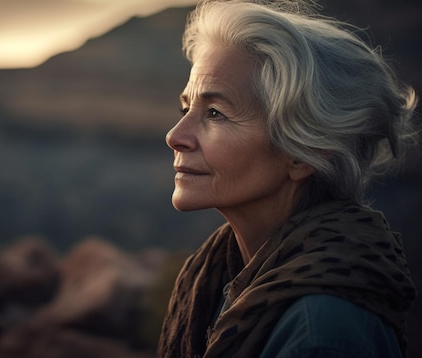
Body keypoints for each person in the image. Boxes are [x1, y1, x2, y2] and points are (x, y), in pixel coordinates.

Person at [157, 0, 418, 357]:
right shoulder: (218, 277)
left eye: (215, 113)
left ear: (303, 152)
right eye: (187, 108)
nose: (175, 135)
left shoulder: (323, 335)